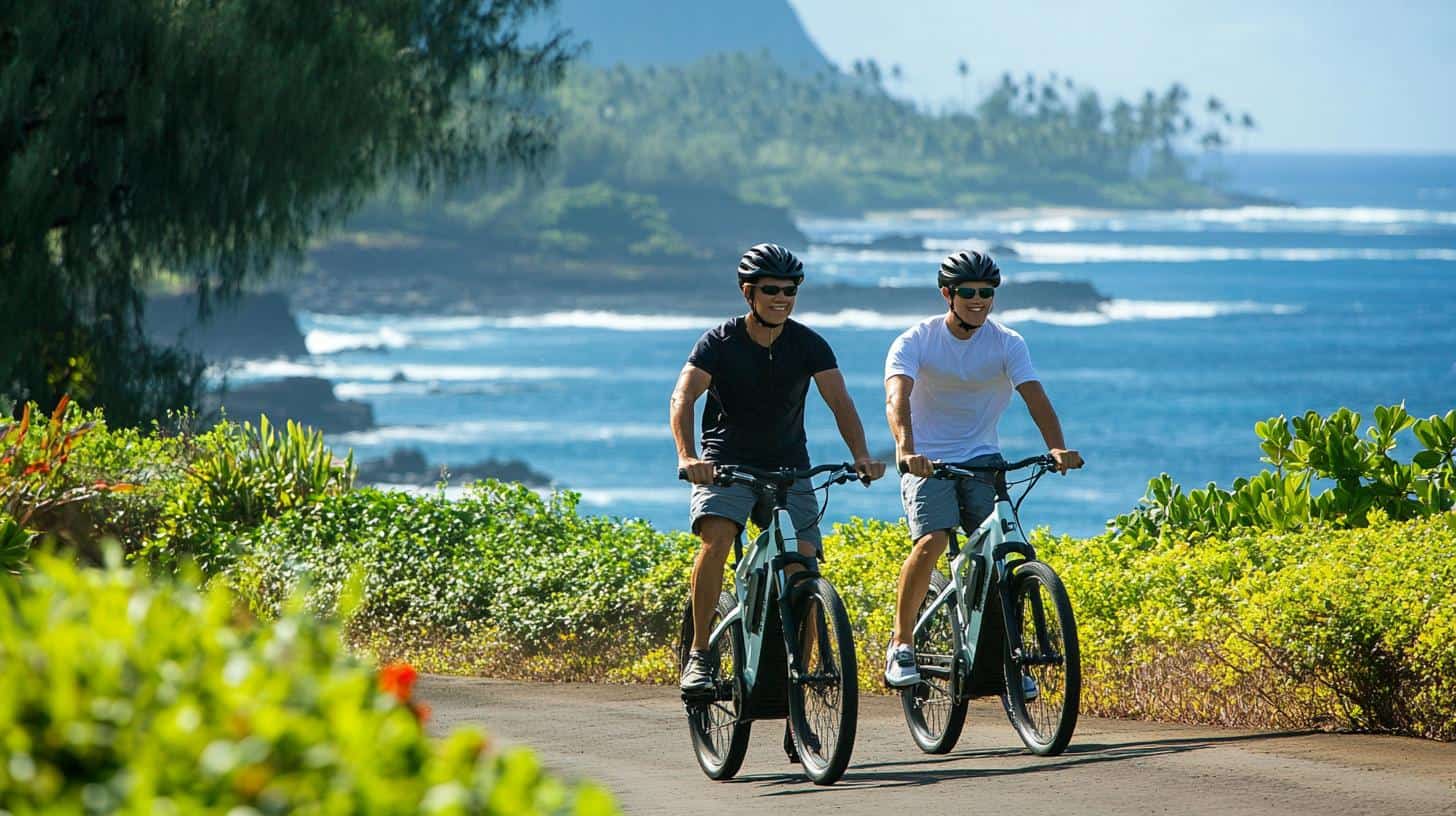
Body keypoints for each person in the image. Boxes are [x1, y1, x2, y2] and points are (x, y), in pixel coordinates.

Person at [672, 242, 885, 695]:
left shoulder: (808, 344)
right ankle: (700, 653)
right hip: (726, 464)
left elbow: (840, 402)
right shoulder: (719, 341)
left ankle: (798, 677)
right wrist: (689, 456)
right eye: (770, 289)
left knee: (803, 567)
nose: (781, 298)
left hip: (790, 470)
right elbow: (683, 397)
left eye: (790, 290)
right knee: (718, 537)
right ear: (748, 292)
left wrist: (862, 454)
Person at [882, 249, 1083, 688]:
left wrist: (1058, 448)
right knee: (933, 539)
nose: (978, 300)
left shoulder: (1007, 342)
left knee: (998, 553)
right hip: (928, 461)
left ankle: (1008, 659)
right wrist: (906, 449)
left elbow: (1034, 395)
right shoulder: (916, 340)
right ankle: (901, 643)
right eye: (969, 292)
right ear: (947, 294)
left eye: (987, 293)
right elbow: (897, 398)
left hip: (982, 460)